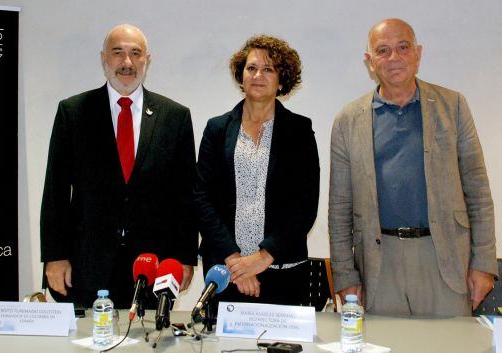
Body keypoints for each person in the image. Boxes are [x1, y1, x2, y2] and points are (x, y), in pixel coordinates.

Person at [329, 18, 497, 316]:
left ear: (417, 53)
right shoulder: (347, 120)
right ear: (370, 62)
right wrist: (345, 274)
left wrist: (483, 263)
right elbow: (340, 206)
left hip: (444, 257)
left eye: (403, 47)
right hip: (380, 262)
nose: (394, 58)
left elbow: (478, 189)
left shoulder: (453, 106)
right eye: (383, 50)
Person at [40, 24, 197, 308]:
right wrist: (54, 256)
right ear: (104, 59)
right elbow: (56, 191)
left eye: (135, 53)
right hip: (86, 265)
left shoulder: (175, 116)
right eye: (118, 53)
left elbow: (185, 197)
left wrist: (184, 258)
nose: (127, 62)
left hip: (150, 267)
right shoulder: (73, 112)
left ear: (147, 60)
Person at [195, 35, 320, 307]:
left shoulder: (299, 131)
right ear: (241, 75)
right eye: (251, 68)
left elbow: (305, 206)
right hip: (226, 273)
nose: (258, 75)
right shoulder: (216, 129)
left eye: (268, 69)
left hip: (282, 270)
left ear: (282, 79)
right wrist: (235, 262)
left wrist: (263, 257)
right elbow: (202, 198)